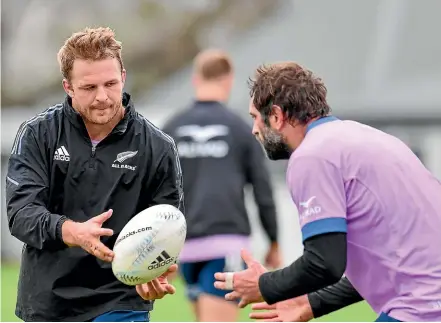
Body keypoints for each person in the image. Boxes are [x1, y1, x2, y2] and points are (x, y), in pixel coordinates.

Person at [214, 62, 441, 322]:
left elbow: (324, 263)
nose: (254, 129)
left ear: (276, 116)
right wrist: (312, 303)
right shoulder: (364, 136)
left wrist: (264, 285)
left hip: (424, 308)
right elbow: (384, 263)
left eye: (255, 117)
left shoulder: (312, 156)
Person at [5, 27, 183, 322]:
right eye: (89, 88)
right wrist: (73, 232)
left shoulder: (158, 146)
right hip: (49, 303)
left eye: (111, 83)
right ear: (68, 87)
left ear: (123, 77)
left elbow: (168, 223)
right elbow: (20, 214)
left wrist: (159, 268)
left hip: (121, 299)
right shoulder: (38, 134)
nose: (103, 97)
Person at [161, 49, 281, 322]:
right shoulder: (240, 128)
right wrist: (274, 240)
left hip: (185, 247)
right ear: (228, 80)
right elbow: (263, 191)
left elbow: (156, 193)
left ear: (195, 79)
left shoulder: (171, 129)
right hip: (227, 244)